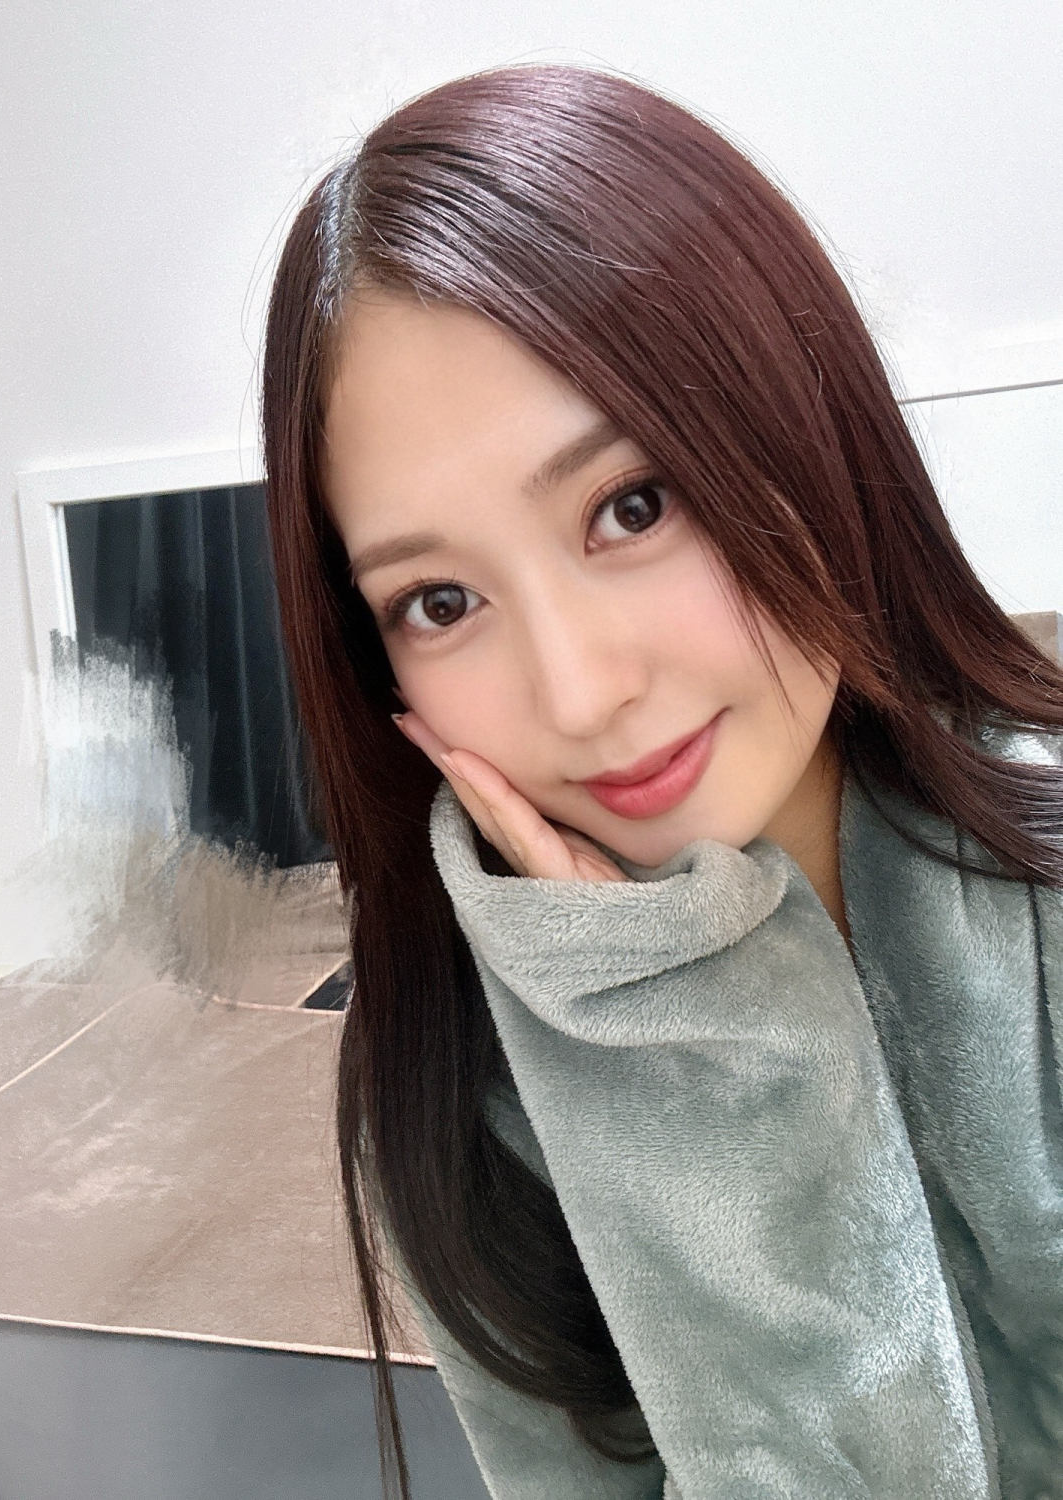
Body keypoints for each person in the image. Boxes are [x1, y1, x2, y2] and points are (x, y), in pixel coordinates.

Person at [260, 64, 1063, 1500]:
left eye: (630, 506)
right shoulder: (456, 1093)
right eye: (440, 602)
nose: (579, 694)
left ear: (799, 421)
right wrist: (691, 1048)